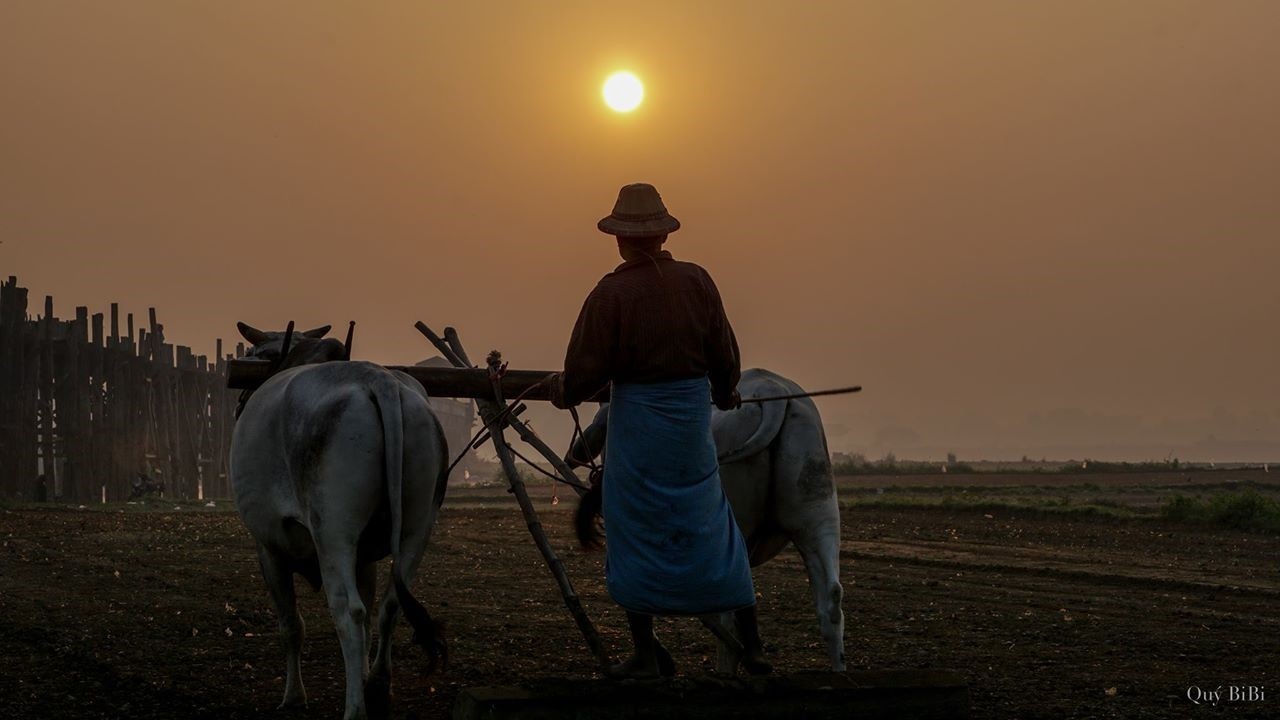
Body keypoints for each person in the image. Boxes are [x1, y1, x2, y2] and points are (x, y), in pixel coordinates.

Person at [550, 182, 771, 677]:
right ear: (663, 235)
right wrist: (723, 392)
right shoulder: (697, 281)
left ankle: (647, 652)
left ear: (619, 240)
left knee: (633, 524)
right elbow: (725, 354)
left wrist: (560, 392)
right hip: (691, 429)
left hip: (639, 429)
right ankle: (753, 644)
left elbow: (583, 372)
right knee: (711, 521)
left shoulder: (610, 293)